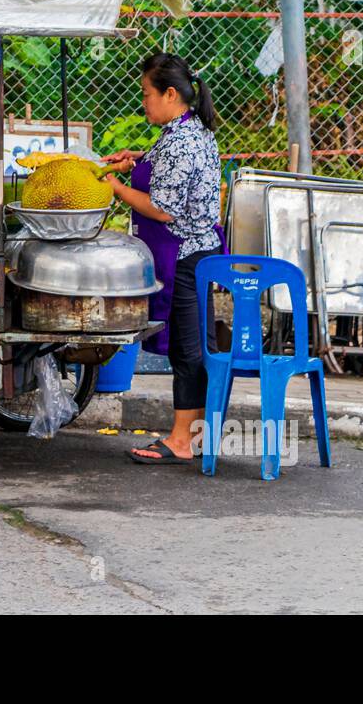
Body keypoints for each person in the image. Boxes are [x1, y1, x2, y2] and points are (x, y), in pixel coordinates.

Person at [103, 52, 225, 465]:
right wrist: (140, 158)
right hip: (199, 252)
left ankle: (180, 440)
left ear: (170, 93)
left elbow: (163, 208)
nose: (144, 102)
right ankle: (195, 433)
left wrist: (116, 187)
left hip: (186, 256)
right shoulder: (187, 131)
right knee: (195, 347)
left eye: (147, 94)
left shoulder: (181, 141)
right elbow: (170, 171)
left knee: (188, 350)